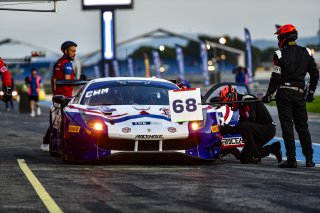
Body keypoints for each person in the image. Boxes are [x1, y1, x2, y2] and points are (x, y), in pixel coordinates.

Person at [262, 24, 319, 168]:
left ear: (283, 38)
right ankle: (309, 159)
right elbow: (315, 73)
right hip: (300, 93)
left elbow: (275, 77)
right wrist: (311, 92)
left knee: (287, 127)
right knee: (303, 127)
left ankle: (292, 160)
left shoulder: (279, 54)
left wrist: (268, 94)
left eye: (279, 37)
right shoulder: (306, 52)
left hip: (284, 93)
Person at [219, 85, 282, 164]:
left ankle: (256, 155)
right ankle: (273, 148)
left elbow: (251, 119)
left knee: (243, 126)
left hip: (267, 129)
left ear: (231, 97)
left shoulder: (247, 99)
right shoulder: (241, 105)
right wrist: (230, 130)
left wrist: (233, 129)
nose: (229, 106)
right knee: (244, 158)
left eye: (228, 104)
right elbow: (246, 125)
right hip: (258, 130)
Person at [41, 41, 77, 151]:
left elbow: (53, 78)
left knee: (56, 120)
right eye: (72, 51)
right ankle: (47, 142)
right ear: (65, 51)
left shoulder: (59, 62)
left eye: (75, 51)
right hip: (65, 98)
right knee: (62, 121)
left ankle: (48, 142)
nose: (74, 53)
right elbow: (67, 81)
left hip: (58, 96)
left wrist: (54, 92)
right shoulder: (67, 64)